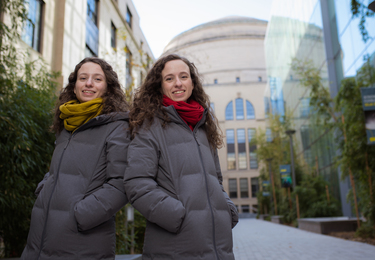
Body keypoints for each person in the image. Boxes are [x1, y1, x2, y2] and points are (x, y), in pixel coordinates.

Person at [124, 54, 239, 260]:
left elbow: (217, 181)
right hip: (175, 246)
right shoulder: (148, 126)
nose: (178, 83)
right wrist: (178, 216)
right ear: (160, 86)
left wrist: (227, 209)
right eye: (169, 78)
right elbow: (137, 183)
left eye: (183, 77)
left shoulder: (203, 128)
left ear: (192, 84)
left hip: (218, 246)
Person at [21, 57, 130, 260]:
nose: (88, 83)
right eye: (83, 78)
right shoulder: (67, 124)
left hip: (82, 241)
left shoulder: (118, 126)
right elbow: (58, 170)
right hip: (41, 236)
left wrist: (80, 215)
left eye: (97, 79)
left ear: (108, 87)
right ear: (75, 85)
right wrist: (45, 188)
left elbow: (121, 184)